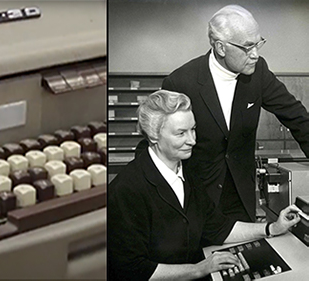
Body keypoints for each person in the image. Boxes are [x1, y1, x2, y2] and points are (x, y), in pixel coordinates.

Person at [137, 5, 309, 222]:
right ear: (220, 47)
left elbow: (297, 117)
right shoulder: (180, 81)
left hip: (241, 196)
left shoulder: (258, 73)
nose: (255, 54)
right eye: (247, 47)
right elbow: (157, 142)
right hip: (196, 197)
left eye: (258, 44)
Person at [108, 90, 301, 281]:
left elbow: (218, 227)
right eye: (181, 133)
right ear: (153, 135)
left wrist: (272, 228)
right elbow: (131, 270)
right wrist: (199, 269)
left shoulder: (189, 173)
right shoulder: (126, 189)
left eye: (193, 129)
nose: (192, 140)